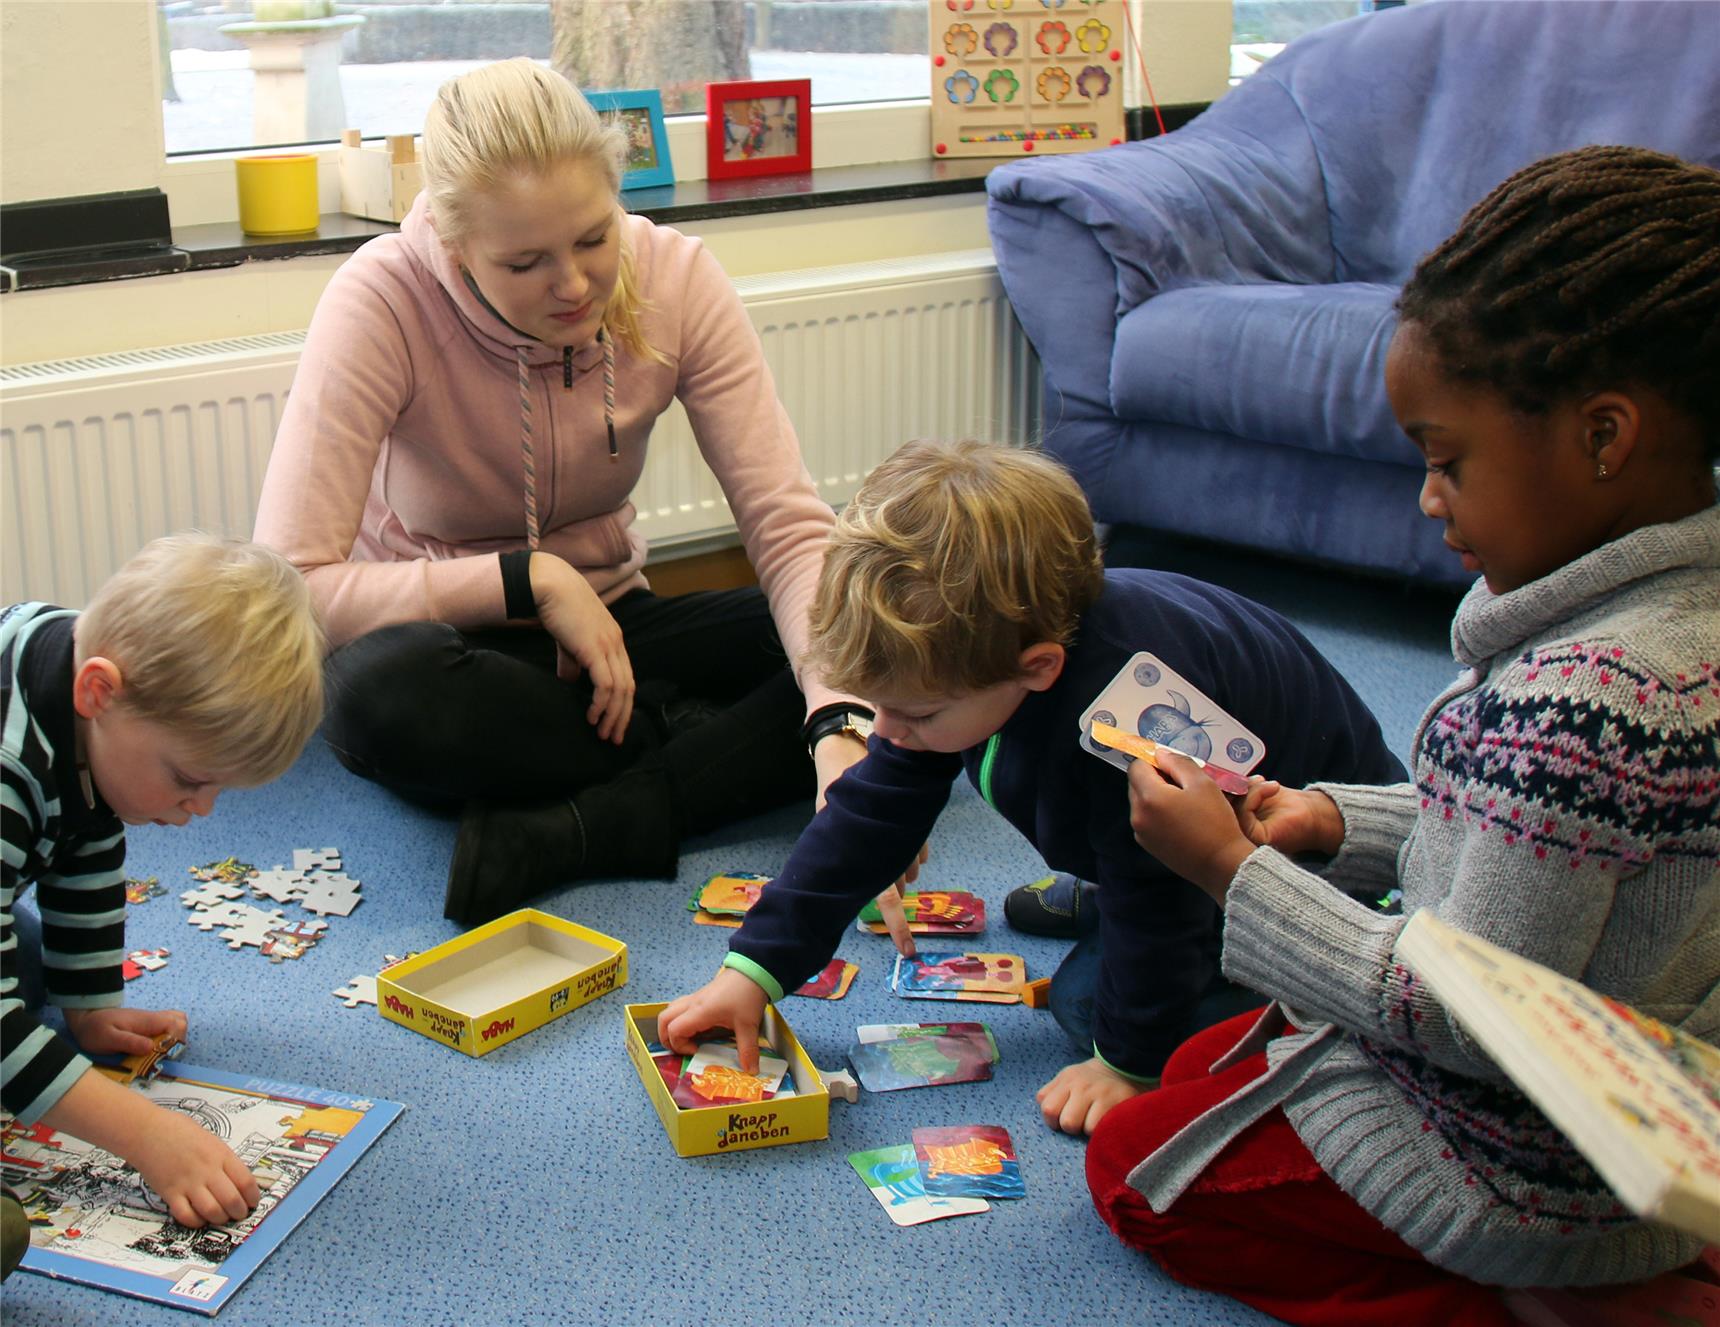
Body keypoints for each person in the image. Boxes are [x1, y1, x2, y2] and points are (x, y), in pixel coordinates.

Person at [1101, 145, 1720, 1327]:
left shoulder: (1583, 696)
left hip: (1526, 1163)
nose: (1428, 499)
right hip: (1637, 1103)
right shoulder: (1673, 628)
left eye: (1447, 462)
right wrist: (1333, 821)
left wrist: (1229, 871)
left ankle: (1564, 1301)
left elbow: (1459, 1011)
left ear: (1602, 436)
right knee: (1196, 1068)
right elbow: (1523, 847)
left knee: (1137, 1175)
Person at [250, 60, 907, 935]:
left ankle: (584, 826)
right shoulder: (382, 298)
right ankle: (701, 749)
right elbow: (288, 585)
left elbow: (786, 527)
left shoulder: (677, 278)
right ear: (453, 243)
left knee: (891, 639)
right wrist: (527, 581)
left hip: (616, 633)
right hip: (444, 645)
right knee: (377, 697)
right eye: (525, 261)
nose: (574, 285)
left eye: (596, 239)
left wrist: (837, 721)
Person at [658, 439, 1404, 1131]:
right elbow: (866, 819)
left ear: (1039, 666)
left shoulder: (1130, 716)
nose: (883, 730)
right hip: (1140, 824)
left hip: (1316, 870)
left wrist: (1128, 1066)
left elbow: (1168, 886)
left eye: (911, 712)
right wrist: (753, 969)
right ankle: (1105, 881)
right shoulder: (976, 666)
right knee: (1017, 788)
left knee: (1087, 1004)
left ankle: (1232, 971)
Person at [0, 535, 324, 1259]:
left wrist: (88, 1007)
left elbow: (83, 829)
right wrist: (145, 1133)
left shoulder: (88, 692)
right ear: (98, 692)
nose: (200, 809)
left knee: (24, 965)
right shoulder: (8, 766)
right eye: (187, 778)